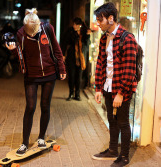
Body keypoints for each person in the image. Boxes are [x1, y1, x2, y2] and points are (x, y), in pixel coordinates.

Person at [6, 8, 66, 156]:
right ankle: (24, 143)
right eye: (29, 33)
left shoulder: (47, 28)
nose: (31, 35)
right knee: (30, 107)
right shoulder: (20, 33)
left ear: (39, 25)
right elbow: (20, 54)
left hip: (49, 73)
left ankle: (41, 138)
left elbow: (57, 49)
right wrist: (13, 50)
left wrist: (62, 68)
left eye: (33, 32)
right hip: (31, 75)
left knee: (45, 106)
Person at [92, 3, 138, 167]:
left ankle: (124, 156)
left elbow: (129, 69)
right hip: (108, 87)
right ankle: (112, 150)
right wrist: (98, 87)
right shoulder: (104, 37)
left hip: (121, 88)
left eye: (100, 19)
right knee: (111, 119)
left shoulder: (128, 38)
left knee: (123, 122)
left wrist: (121, 93)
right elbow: (101, 63)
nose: (98, 23)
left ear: (111, 18)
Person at [62, 17, 90, 101]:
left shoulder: (84, 33)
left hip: (81, 59)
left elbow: (87, 44)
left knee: (79, 77)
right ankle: (71, 93)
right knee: (72, 76)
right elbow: (65, 42)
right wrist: (63, 55)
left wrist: (87, 35)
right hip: (71, 57)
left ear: (79, 25)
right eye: (73, 24)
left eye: (76, 24)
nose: (74, 25)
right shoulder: (70, 31)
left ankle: (77, 94)